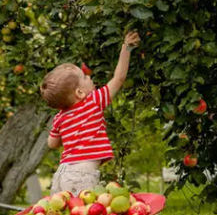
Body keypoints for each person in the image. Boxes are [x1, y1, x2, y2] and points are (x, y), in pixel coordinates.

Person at [40, 31, 141, 196]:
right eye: (85, 78)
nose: (90, 77)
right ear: (79, 93)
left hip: (62, 173)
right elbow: (119, 78)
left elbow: (52, 144)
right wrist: (126, 49)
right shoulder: (92, 102)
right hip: (82, 176)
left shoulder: (60, 117)